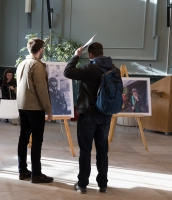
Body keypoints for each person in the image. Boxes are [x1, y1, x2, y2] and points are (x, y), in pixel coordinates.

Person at [64, 42, 120, 194]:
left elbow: (67, 72)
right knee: (102, 151)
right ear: (103, 52)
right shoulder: (115, 69)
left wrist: (76, 56)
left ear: (90, 55)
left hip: (89, 115)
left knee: (85, 151)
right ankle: (103, 184)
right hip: (106, 116)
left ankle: (82, 185)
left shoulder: (90, 68)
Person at [16, 38, 53, 183]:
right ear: (41, 49)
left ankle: (22, 170)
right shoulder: (37, 66)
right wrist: (48, 109)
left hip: (22, 106)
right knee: (37, 140)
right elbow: (41, 90)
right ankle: (36, 174)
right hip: (35, 108)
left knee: (23, 138)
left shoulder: (22, 63)